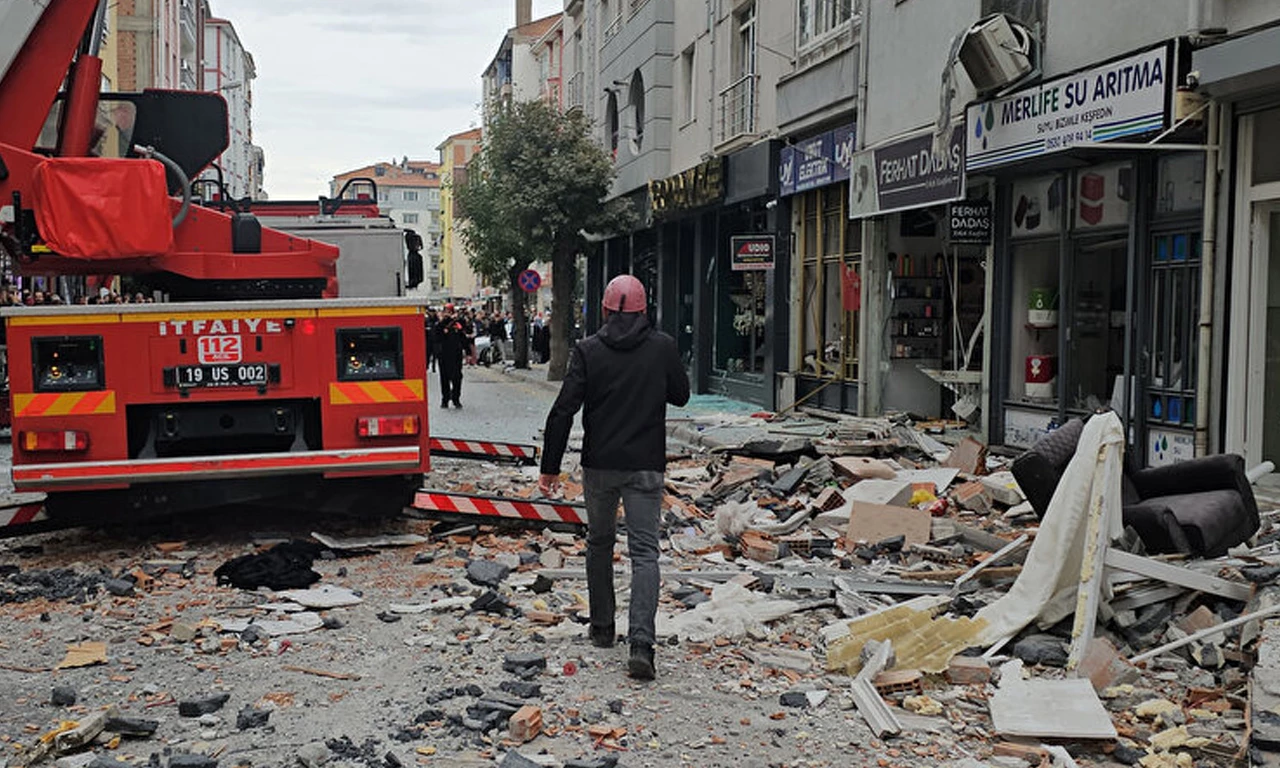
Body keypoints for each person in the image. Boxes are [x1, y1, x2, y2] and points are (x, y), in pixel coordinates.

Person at [538, 275, 690, 681]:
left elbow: (563, 410)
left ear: (604, 310)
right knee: (645, 554)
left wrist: (549, 468)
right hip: (645, 466)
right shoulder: (663, 347)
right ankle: (641, 643)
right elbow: (681, 394)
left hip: (600, 466)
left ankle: (603, 628)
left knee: (599, 543)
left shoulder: (588, 351)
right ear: (645, 310)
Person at [434, 303, 472, 408]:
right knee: (444, 378)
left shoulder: (458, 324)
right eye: (446, 311)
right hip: (444, 355)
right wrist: (445, 320)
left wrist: (468, 352)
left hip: (456, 354)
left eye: (450, 311)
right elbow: (437, 337)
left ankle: (456, 398)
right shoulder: (440, 324)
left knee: (457, 377)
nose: (448, 313)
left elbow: (463, 337)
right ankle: (445, 399)